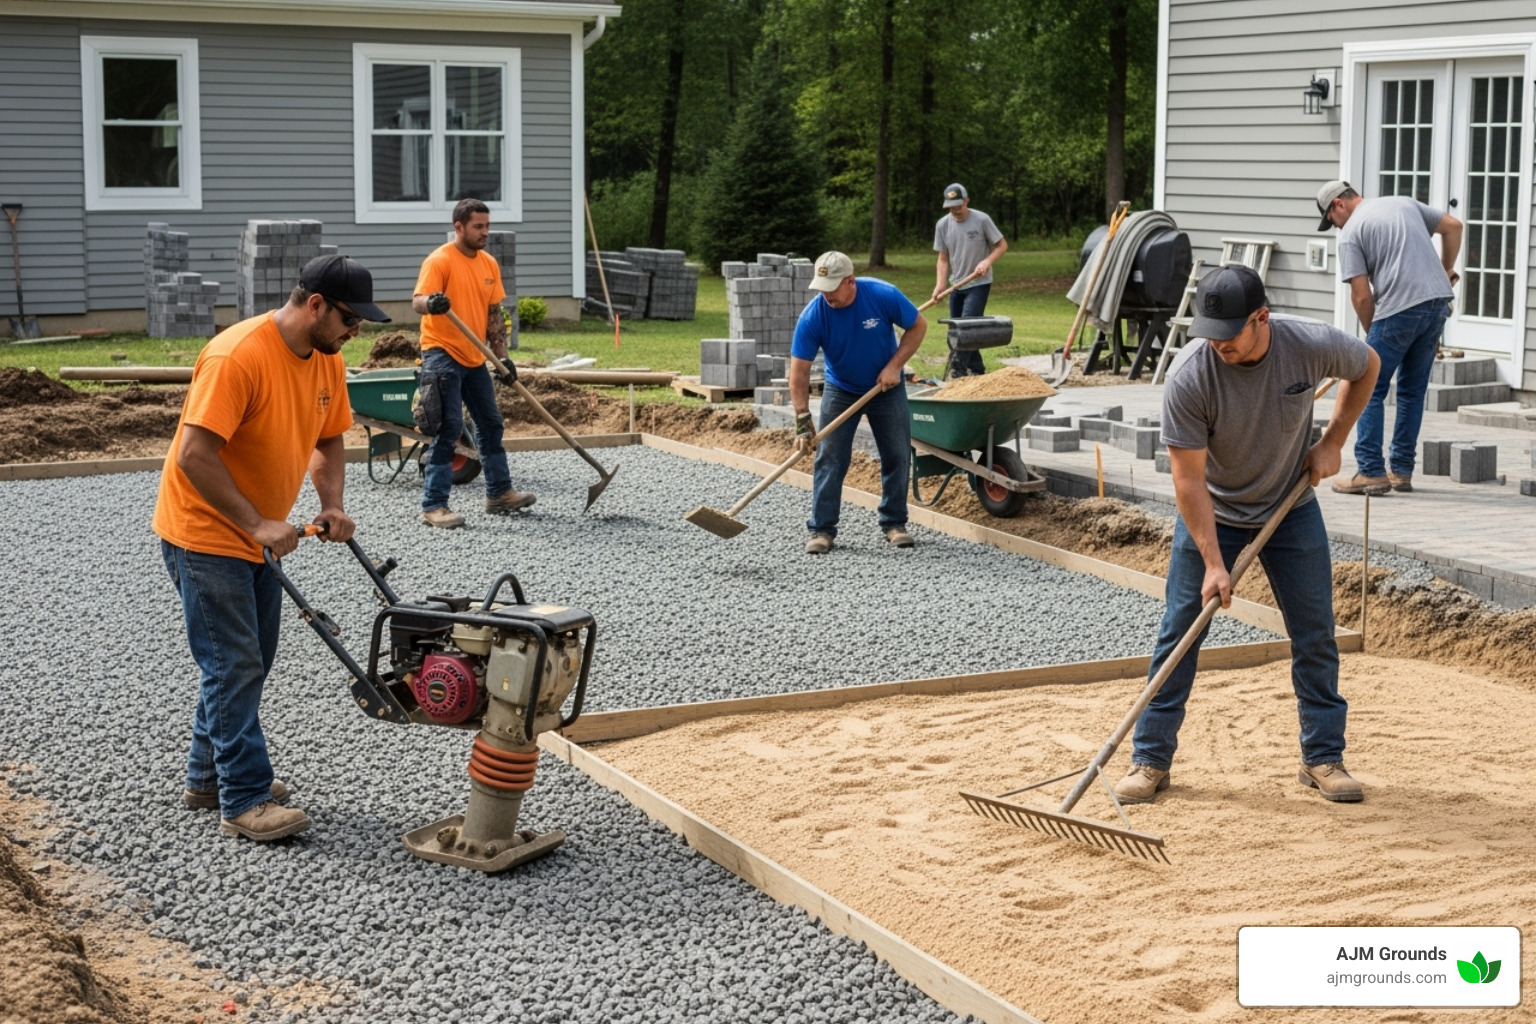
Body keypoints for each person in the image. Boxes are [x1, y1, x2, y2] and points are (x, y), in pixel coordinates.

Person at [1113, 265, 1381, 806]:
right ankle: (1150, 759)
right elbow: (1187, 479)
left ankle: (1322, 757)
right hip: (1215, 513)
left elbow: (1368, 364)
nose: (1217, 345)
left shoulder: (1307, 344)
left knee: (1315, 633)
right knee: (1179, 634)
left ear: (1261, 318)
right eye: (1209, 332)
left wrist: (1333, 440)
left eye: (1228, 333)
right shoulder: (1191, 375)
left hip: (1290, 507)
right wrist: (1214, 562)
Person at [155, 254, 391, 841]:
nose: (356, 331)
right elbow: (193, 456)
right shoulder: (239, 356)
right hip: (206, 534)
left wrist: (331, 504)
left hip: (259, 536)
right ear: (315, 304)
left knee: (251, 658)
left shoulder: (326, 360)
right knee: (233, 663)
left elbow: (330, 438)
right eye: (350, 319)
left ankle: (207, 776)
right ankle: (244, 798)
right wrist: (257, 523)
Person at [1315, 180, 1461, 495]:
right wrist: (1445, 270)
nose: (1336, 228)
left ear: (1339, 204)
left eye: (1332, 221)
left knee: (1366, 386)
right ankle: (1401, 471)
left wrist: (1372, 335)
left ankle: (1370, 471)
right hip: (1437, 303)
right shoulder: (1403, 202)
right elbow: (1454, 227)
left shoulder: (1352, 231)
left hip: (1399, 310)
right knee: (1411, 391)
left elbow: (1361, 297)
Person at [790, 251, 927, 554]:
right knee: (830, 457)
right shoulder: (814, 316)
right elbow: (798, 372)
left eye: (832, 287)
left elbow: (918, 326)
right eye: (822, 287)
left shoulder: (882, 295)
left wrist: (895, 366)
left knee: (897, 454)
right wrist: (802, 418)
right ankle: (822, 529)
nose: (826, 295)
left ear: (850, 281)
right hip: (841, 389)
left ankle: (894, 522)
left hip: (886, 388)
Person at [413, 197, 534, 529]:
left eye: (487, 226)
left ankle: (498, 493)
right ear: (459, 227)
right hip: (441, 353)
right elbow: (417, 301)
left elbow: (494, 316)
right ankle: (434, 506)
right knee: (449, 427)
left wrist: (503, 358)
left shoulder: (489, 264)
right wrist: (432, 302)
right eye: (478, 227)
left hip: (474, 355)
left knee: (491, 424)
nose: (485, 233)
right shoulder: (440, 261)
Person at [932, 183, 1008, 378]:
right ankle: (978, 370)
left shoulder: (982, 220)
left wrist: (987, 261)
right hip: (956, 284)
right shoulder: (943, 225)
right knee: (958, 330)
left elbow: (1001, 245)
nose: (955, 210)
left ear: (966, 200)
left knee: (966, 327)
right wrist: (940, 284)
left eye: (958, 205)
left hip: (979, 283)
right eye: (951, 206)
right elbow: (942, 258)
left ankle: (957, 371)